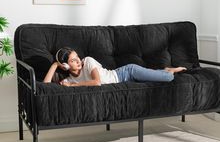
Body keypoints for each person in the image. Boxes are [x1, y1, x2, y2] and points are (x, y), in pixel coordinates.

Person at [43, 47, 187, 87]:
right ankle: (162, 71)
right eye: (73, 61)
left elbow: (97, 82)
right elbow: (45, 85)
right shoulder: (70, 78)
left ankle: (169, 70)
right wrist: (55, 65)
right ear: (66, 65)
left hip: (127, 73)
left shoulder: (87, 61)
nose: (78, 60)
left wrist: (74, 86)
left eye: (77, 57)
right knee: (154, 77)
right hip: (124, 80)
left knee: (168, 78)